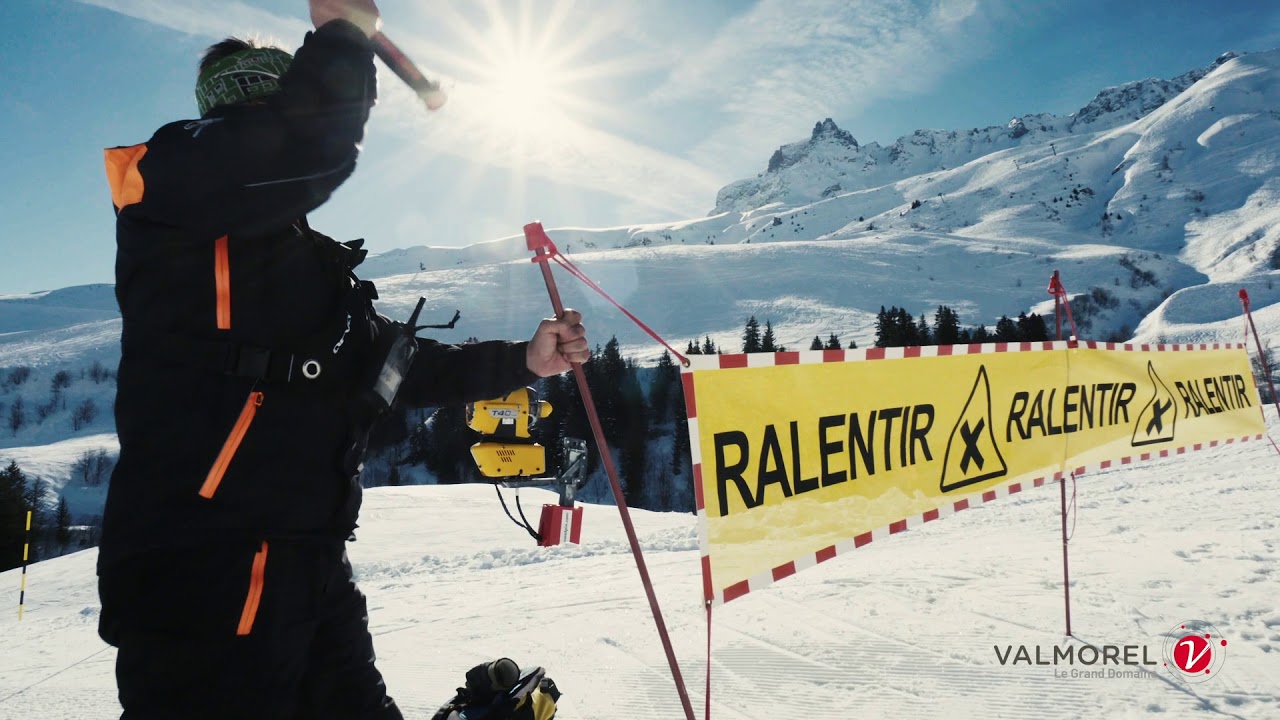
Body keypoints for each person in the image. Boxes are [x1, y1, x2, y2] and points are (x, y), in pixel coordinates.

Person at [98, 1, 589, 717]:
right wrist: (340, 37)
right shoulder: (171, 185)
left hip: (307, 563)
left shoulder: (299, 263)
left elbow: (394, 368)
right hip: (205, 566)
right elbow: (302, 149)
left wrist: (524, 359)